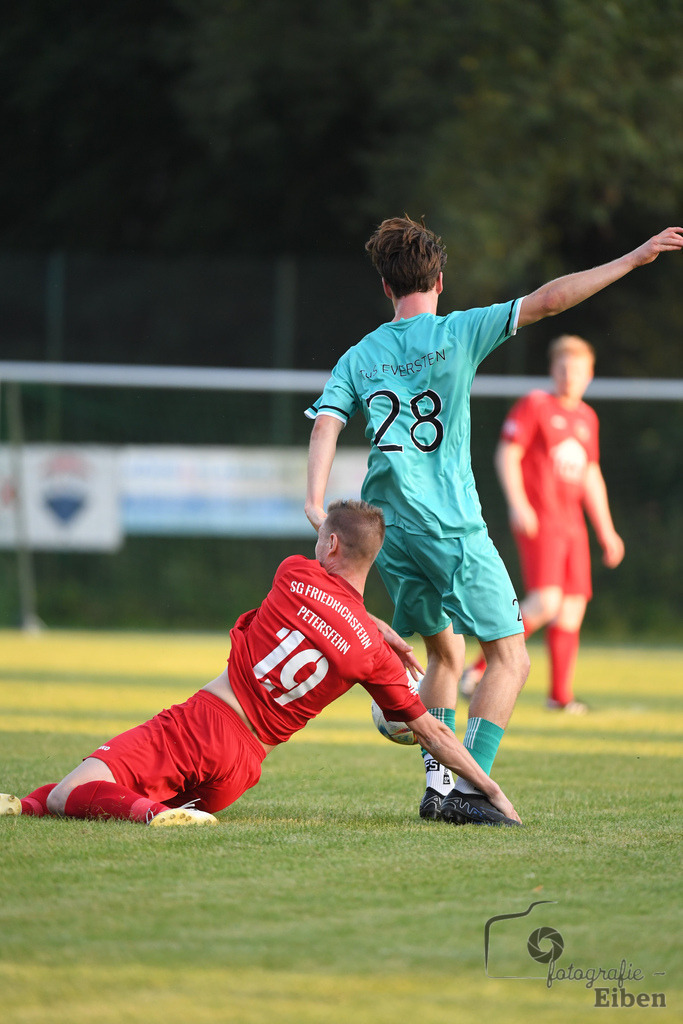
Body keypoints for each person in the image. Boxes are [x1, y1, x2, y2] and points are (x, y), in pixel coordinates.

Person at [304, 217, 683, 822]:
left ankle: (437, 788)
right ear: (440, 281)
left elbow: (327, 422)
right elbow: (549, 300)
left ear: (386, 286)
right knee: (511, 657)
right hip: (449, 528)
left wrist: (315, 500)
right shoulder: (459, 330)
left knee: (445, 655)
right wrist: (631, 259)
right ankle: (472, 790)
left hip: (389, 532)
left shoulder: (361, 354)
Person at [0, 500, 521, 829]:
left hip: (203, 724)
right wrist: (489, 788)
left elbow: (324, 601)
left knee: (73, 793)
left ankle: (157, 817)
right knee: (100, 788)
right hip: (242, 767)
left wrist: (372, 622)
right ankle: (23, 805)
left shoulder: (293, 573)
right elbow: (433, 732)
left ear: (331, 543)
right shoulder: (373, 654)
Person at [460, 334, 624, 713]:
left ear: (590, 374)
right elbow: (508, 454)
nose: (570, 376)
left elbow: (591, 476)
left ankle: (560, 697)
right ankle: (478, 669)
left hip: (572, 525)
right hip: (542, 519)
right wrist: (519, 504)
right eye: (563, 369)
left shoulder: (587, 417)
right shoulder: (535, 404)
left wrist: (607, 530)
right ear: (553, 370)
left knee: (572, 606)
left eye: (578, 370)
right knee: (546, 602)